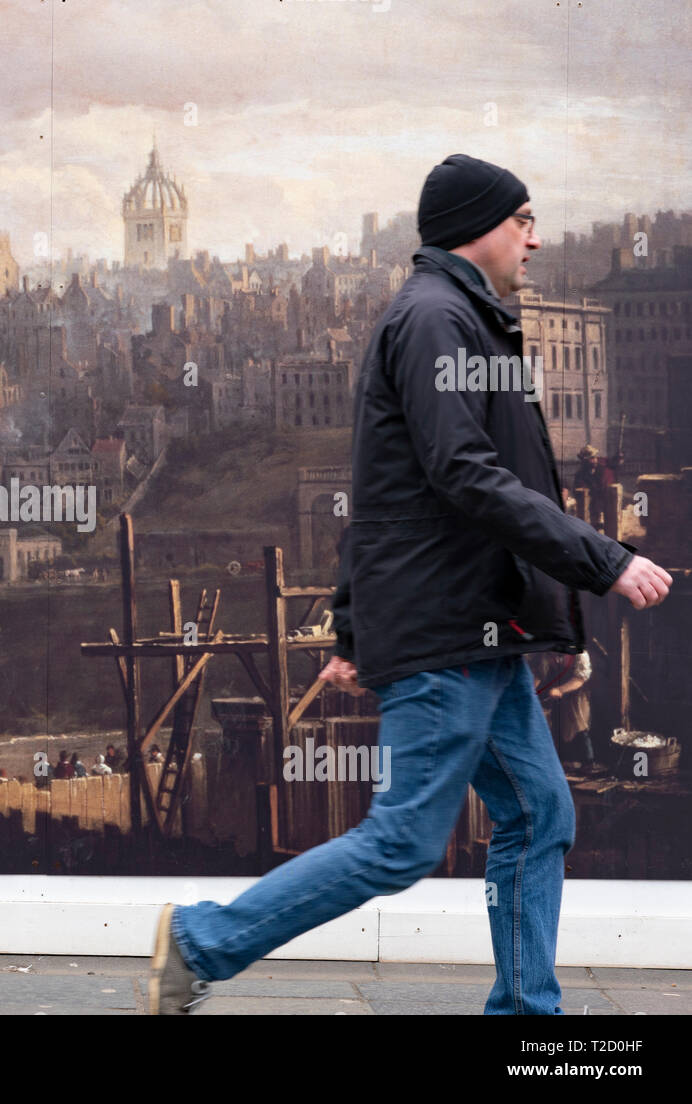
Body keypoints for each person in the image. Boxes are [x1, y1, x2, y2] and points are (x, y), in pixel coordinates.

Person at [149, 154, 673, 1017]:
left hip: (477, 632)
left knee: (541, 816)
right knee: (401, 844)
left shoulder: (456, 316)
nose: (536, 239)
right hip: (450, 634)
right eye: (523, 220)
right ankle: (202, 940)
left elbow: (382, 493)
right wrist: (604, 559)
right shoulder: (436, 320)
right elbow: (464, 476)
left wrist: (355, 636)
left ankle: (525, 1018)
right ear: (478, 224)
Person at [528, 650, 595, 766]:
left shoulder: (580, 654)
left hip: (577, 695)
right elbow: (538, 676)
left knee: (578, 725)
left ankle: (587, 763)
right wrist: (530, 693)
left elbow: (579, 679)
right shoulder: (546, 654)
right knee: (557, 726)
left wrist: (560, 690)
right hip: (555, 696)